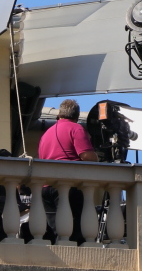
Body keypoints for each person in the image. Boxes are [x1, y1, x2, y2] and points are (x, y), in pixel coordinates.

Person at [37, 99, 98, 244]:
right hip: (67, 186)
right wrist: (97, 156)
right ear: (76, 116)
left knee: (56, 232)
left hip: (46, 188)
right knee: (73, 233)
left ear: (59, 114)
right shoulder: (76, 129)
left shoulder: (46, 133)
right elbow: (87, 156)